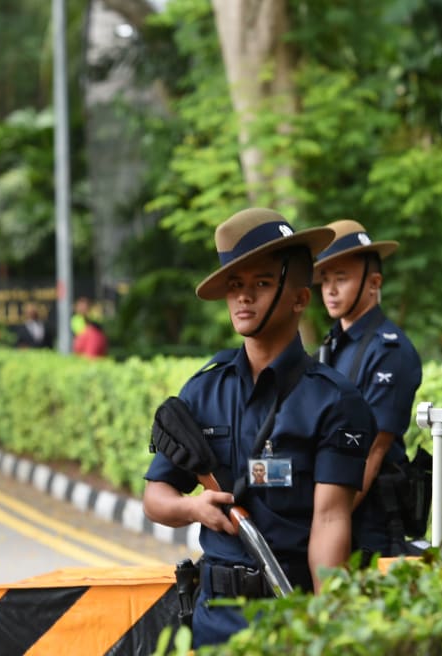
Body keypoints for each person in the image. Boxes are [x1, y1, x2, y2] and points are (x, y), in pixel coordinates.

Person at [142, 208, 376, 648]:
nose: (243, 298)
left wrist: (329, 630)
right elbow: (156, 497)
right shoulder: (202, 391)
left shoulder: (336, 401)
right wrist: (194, 509)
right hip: (213, 618)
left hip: (289, 615)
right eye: (235, 286)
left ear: (300, 298)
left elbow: (330, 521)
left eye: (262, 284)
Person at [313, 219, 423, 561]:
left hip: (368, 523)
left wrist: (321, 525)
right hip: (332, 516)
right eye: (325, 280)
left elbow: (373, 452)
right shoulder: (333, 344)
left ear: (374, 283)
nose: (330, 289)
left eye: (341, 278)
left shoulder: (389, 350)